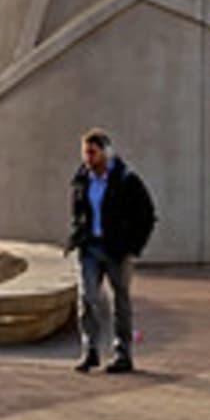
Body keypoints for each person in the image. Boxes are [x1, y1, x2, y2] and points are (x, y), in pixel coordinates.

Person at [63, 128, 157, 374]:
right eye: (85, 153)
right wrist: (78, 234)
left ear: (105, 152)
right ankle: (90, 350)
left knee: (120, 300)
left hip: (117, 249)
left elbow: (147, 214)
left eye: (92, 153)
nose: (88, 158)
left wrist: (134, 246)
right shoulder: (82, 178)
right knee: (87, 298)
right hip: (90, 247)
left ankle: (122, 353)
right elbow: (78, 210)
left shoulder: (126, 179)